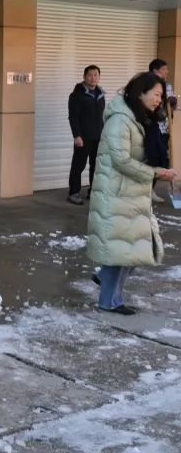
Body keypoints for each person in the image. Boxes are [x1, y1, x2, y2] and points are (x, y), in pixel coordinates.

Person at [87, 73, 178, 315]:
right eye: (156, 95)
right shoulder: (120, 121)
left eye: (162, 96)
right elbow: (121, 161)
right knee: (124, 251)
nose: (159, 100)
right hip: (117, 192)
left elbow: (155, 138)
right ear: (140, 93)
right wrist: (155, 172)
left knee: (133, 250)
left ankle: (107, 283)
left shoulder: (139, 118)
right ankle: (109, 301)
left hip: (131, 193)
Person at [67, 65, 105, 205]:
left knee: (96, 166)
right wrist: (77, 136)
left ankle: (93, 191)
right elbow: (73, 117)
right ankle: (74, 193)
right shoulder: (77, 95)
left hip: (98, 136)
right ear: (84, 77)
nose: (93, 78)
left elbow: (102, 116)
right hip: (83, 137)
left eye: (96, 75)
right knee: (78, 165)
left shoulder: (100, 94)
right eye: (90, 75)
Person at [148, 59, 175, 203]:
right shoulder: (147, 84)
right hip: (151, 127)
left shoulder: (168, 86)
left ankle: (151, 190)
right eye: (164, 69)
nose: (167, 71)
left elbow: (171, 108)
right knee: (149, 160)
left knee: (160, 161)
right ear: (155, 70)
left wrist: (173, 105)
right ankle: (143, 191)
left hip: (164, 127)